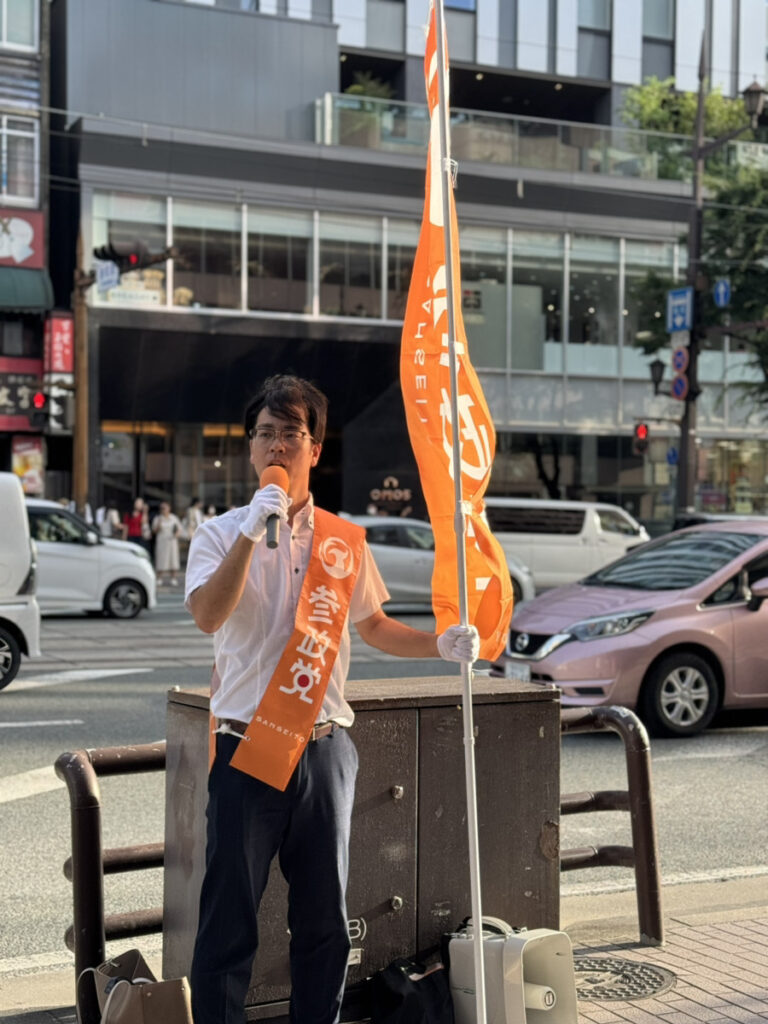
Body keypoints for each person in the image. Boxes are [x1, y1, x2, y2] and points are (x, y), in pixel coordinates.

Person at [185, 374, 478, 1024]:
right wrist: (252, 530)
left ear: (314, 449)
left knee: (324, 922)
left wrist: (440, 645)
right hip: (245, 749)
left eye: (292, 433)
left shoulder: (344, 541)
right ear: (250, 448)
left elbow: (374, 626)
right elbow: (208, 616)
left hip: (323, 750)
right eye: (266, 433)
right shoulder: (218, 534)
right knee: (228, 920)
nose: (277, 445)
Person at [152, 501, 182, 586]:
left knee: (173, 559)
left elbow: (179, 528)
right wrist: (159, 523)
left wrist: (176, 534)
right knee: (161, 559)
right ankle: (159, 578)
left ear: (169, 508)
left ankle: (173, 578)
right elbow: (154, 531)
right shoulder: (158, 518)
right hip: (162, 541)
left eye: (164, 508)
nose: (163, 510)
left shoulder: (174, 518)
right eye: (161, 508)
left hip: (172, 541)